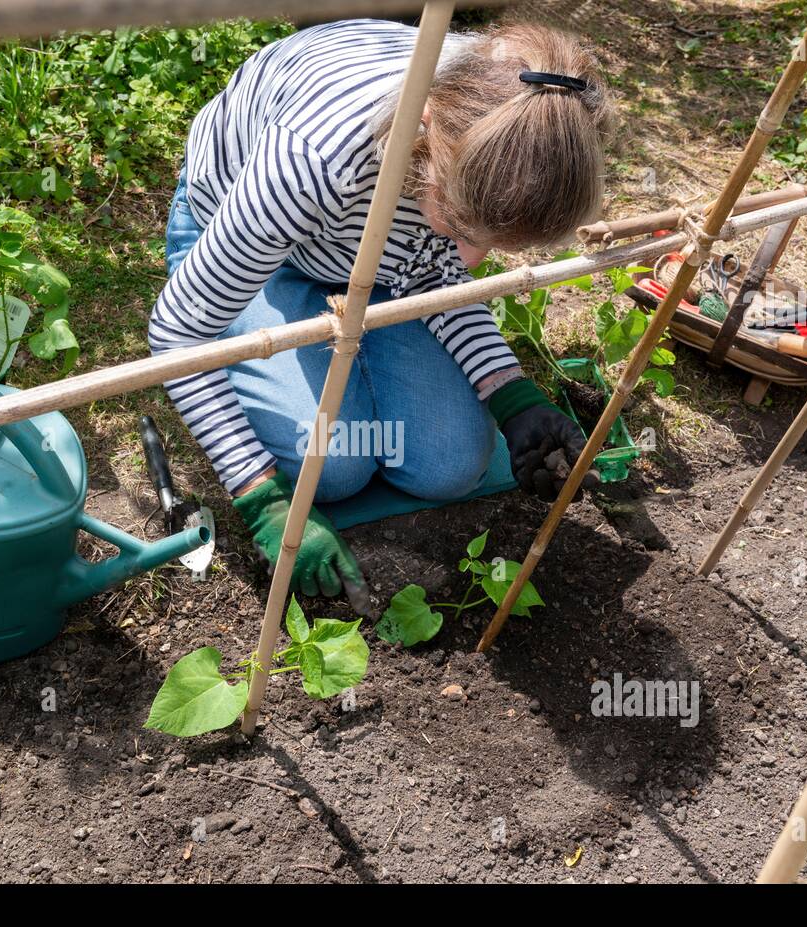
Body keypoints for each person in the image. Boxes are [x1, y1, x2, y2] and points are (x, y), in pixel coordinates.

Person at [150, 18, 614, 608]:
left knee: (448, 464)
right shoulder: (312, 161)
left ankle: (370, 316)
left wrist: (510, 393)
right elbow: (179, 332)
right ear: (422, 143)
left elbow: (437, 272)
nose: (476, 259)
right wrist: (259, 498)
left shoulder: (533, 116)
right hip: (269, 250)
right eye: (465, 227)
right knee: (332, 464)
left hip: (384, 247)